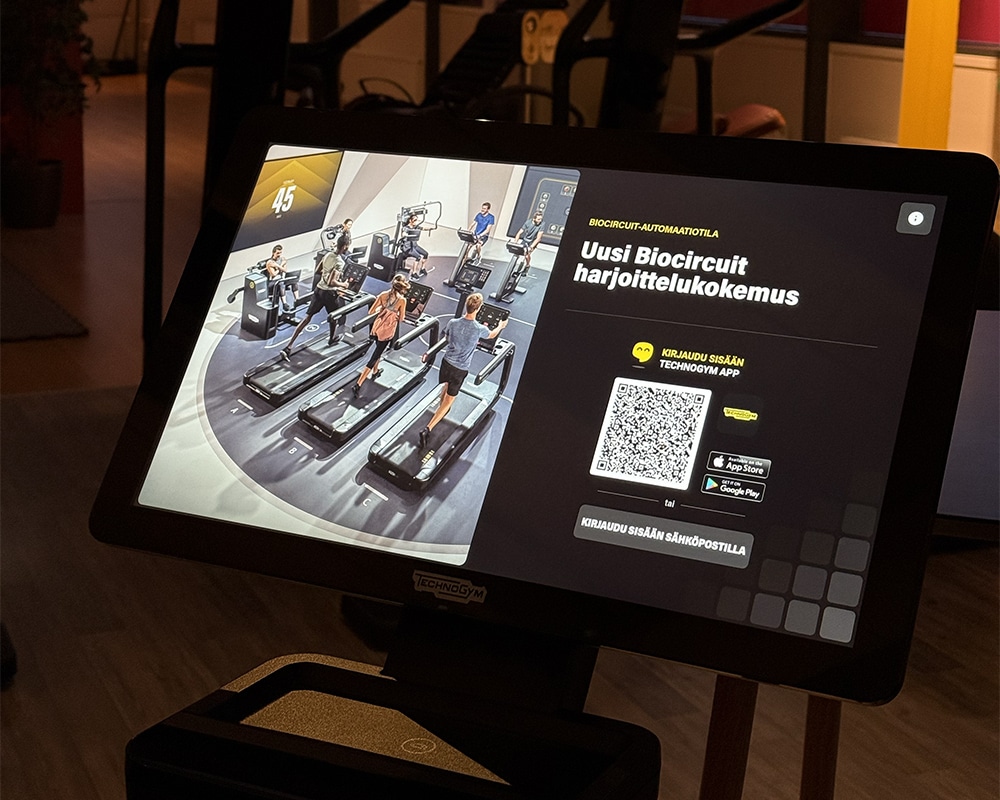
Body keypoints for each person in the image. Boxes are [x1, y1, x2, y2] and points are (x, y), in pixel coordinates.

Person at [418, 292, 507, 447]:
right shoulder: (479, 328)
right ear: (478, 308)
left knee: (446, 385)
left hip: (446, 363)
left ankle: (440, 410)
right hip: (460, 369)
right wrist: (501, 325)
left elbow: (446, 337)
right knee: (449, 401)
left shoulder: (453, 322)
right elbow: (492, 335)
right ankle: (428, 428)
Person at [281, 241, 351, 359]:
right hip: (329, 293)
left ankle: (288, 346)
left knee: (307, 318)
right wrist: (344, 284)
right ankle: (332, 339)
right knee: (334, 317)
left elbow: (317, 271)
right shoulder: (339, 262)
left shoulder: (327, 255)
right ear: (344, 246)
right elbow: (331, 282)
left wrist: (326, 274)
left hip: (319, 290)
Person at [353, 274, 410, 396]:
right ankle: (358, 384)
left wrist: (382, 310)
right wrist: (394, 314)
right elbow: (402, 318)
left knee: (378, 350)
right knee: (375, 356)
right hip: (387, 331)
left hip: (377, 327)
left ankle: (375, 371)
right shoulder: (402, 300)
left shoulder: (383, 295)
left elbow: (371, 311)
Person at [265, 244, 298, 313]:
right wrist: (281, 266)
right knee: (281, 283)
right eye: (277, 253)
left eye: (280, 253)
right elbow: (273, 274)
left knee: (294, 281)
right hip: (273, 281)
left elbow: (285, 270)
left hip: (281, 278)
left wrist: (278, 266)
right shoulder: (270, 262)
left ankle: (297, 300)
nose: (279, 255)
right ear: (273, 253)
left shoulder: (282, 259)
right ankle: (284, 304)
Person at [400, 214, 432, 279]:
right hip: (407, 247)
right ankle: (414, 273)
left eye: (417, 220)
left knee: (425, 254)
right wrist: (405, 235)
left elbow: (423, 228)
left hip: (414, 246)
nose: (416, 221)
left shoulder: (415, 227)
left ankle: (422, 268)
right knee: (418, 257)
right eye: (415, 220)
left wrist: (431, 228)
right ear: (410, 220)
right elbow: (403, 233)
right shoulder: (406, 228)